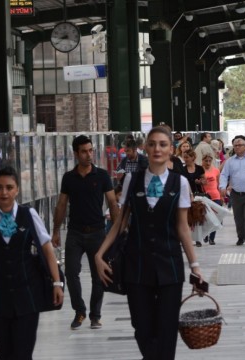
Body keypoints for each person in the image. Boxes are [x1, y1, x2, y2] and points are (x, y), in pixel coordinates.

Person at [95, 126, 201, 360]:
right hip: (137, 266)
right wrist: (99, 254)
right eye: (152, 144)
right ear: (145, 147)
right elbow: (120, 223)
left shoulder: (180, 183)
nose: (157, 149)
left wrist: (195, 267)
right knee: (141, 327)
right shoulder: (133, 180)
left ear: (170, 150)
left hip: (170, 267)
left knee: (167, 328)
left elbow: (183, 228)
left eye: (163, 144)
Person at [0, 166, 63, 360]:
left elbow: (47, 248)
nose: (4, 192)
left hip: (28, 295)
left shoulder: (29, 215)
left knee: (23, 352)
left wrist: (57, 283)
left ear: (17, 190)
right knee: (3, 352)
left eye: (9, 187)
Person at [52, 135, 119, 330]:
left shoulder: (102, 176)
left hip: (97, 232)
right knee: (71, 272)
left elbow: (112, 204)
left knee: (99, 275)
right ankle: (79, 311)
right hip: (75, 233)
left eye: (91, 150)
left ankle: (95, 315)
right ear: (76, 153)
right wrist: (56, 230)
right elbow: (61, 205)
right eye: (84, 151)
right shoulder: (69, 178)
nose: (89, 155)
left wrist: (116, 233)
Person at [201, 153, 221, 245]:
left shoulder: (216, 171)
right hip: (204, 197)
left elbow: (219, 184)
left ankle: (212, 238)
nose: (208, 163)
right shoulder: (199, 170)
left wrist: (222, 197)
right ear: (203, 161)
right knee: (205, 217)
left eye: (209, 161)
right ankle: (205, 235)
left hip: (215, 196)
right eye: (206, 161)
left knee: (215, 218)